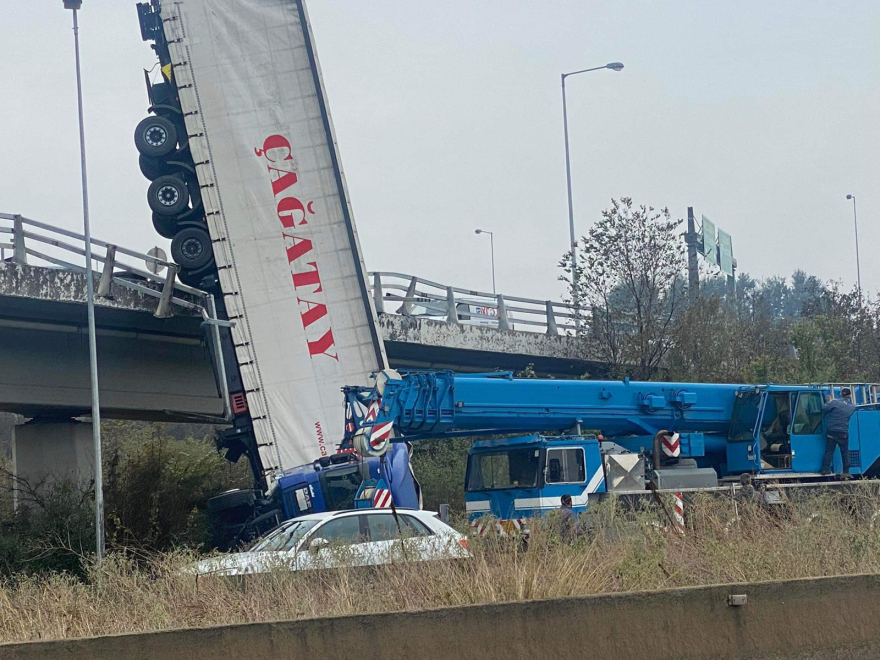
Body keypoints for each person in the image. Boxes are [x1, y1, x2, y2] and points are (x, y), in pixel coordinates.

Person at [821, 388, 856, 478]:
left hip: (832, 431)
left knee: (829, 450)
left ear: (841, 394)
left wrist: (829, 401)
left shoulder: (834, 403)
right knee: (844, 452)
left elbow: (824, 409)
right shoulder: (851, 407)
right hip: (842, 432)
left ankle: (825, 469)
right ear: (849, 396)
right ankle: (846, 472)